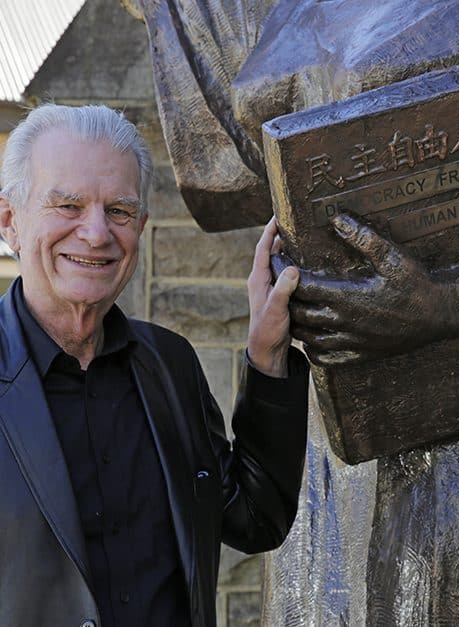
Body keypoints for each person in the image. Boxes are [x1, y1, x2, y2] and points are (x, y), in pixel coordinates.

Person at [0, 103, 309, 627]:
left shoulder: (169, 366)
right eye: (69, 206)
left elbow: (256, 518)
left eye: (118, 211)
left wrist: (266, 354)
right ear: (10, 221)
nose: (96, 234)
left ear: (141, 226)